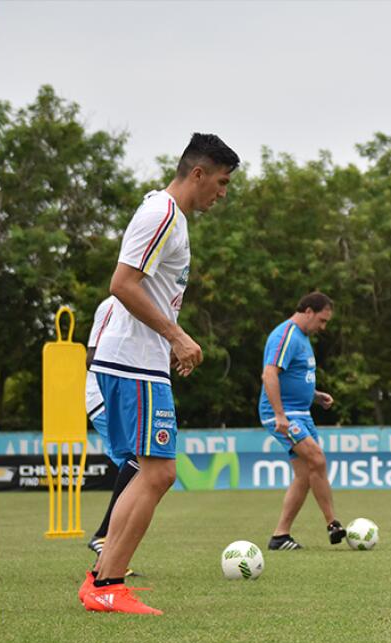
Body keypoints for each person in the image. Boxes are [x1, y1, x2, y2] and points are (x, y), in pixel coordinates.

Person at [79, 133, 240, 615]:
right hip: (133, 361)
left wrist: (169, 340)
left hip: (139, 360)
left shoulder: (171, 217)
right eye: (221, 182)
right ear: (198, 173)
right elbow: (122, 284)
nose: (223, 193)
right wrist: (176, 335)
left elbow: (147, 291)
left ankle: (102, 578)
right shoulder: (162, 213)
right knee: (159, 471)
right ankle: (108, 582)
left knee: (152, 471)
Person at [259, 292, 345, 550]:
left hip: (301, 413)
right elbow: (269, 374)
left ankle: (280, 536)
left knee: (305, 474)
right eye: (322, 320)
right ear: (308, 311)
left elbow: (294, 377)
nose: (323, 327)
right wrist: (280, 415)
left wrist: (315, 396)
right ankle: (332, 523)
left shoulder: (302, 338)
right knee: (317, 459)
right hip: (285, 414)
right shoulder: (285, 335)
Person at [83, 296, 140, 576]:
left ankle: (108, 553)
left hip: (121, 394)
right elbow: (90, 358)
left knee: (138, 466)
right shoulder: (111, 305)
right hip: (104, 396)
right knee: (139, 459)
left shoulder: (148, 304)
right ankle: (103, 537)